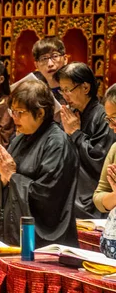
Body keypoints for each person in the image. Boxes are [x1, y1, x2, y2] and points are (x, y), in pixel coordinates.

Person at [0, 80, 79, 247]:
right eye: (13, 112)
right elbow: (5, 179)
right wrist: (3, 179)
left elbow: (48, 195)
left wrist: (12, 177)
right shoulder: (18, 140)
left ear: (40, 113)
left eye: (20, 112)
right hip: (15, 234)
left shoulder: (58, 143)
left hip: (45, 243)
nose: (14, 118)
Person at [54, 62, 116, 219]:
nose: (65, 96)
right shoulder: (71, 115)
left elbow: (99, 160)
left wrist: (75, 133)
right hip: (74, 193)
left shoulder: (104, 117)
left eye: (68, 90)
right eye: (62, 91)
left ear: (86, 88)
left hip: (91, 200)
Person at [93, 84, 116, 213]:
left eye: (115, 118)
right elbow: (98, 197)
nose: (112, 125)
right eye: (109, 119)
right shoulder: (115, 149)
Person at [32, 36, 68, 104]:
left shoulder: (77, 89)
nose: (50, 64)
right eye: (44, 59)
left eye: (55, 56)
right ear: (36, 65)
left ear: (65, 59)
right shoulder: (35, 94)